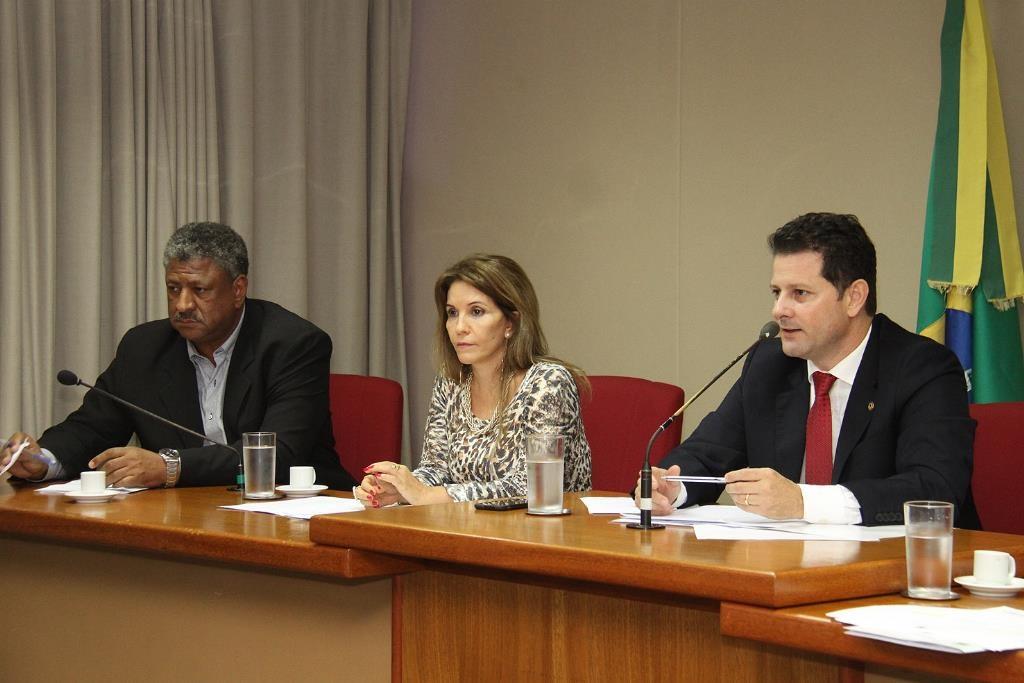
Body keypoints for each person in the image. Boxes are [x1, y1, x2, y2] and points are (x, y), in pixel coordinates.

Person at [641, 213, 976, 526]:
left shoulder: (923, 369)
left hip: (898, 572)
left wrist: (803, 502)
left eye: (800, 294)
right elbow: (708, 454)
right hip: (786, 569)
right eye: (776, 292)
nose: (779, 310)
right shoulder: (769, 365)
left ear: (854, 298)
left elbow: (934, 487)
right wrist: (673, 486)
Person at [0, 222, 356, 490]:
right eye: (174, 289)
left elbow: (278, 453)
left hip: (294, 512)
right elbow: (93, 426)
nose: (183, 305)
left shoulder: (293, 344)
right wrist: (43, 460)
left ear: (237, 290)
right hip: (185, 514)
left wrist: (171, 467)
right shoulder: (144, 347)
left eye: (199, 290)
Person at [356, 254, 591, 506]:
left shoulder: (548, 383)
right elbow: (436, 469)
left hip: (546, 535)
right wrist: (398, 486)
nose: (459, 327)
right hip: (468, 531)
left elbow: (534, 486)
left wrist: (430, 496)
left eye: (476, 312)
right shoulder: (451, 382)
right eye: (452, 313)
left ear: (511, 322)